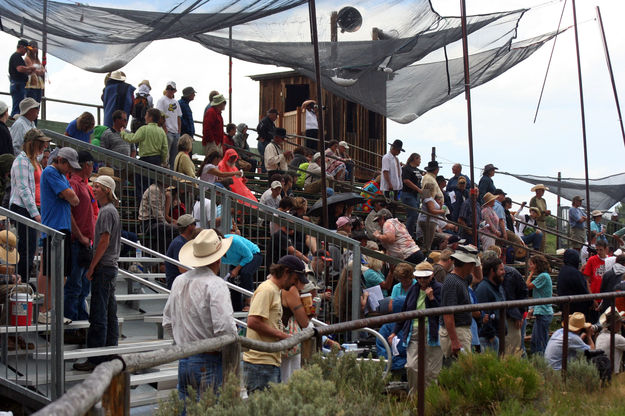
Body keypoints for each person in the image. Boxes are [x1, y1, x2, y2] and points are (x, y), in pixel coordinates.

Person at [162, 229, 236, 399]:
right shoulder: (216, 284)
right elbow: (224, 327)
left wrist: (181, 341)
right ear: (218, 258)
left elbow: (167, 321)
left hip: (184, 357)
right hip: (208, 358)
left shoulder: (179, 281)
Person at [243, 255, 307, 393]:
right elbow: (253, 321)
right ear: (286, 272)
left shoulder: (274, 290)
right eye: (295, 279)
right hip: (260, 363)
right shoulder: (267, 290)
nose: (295, 284)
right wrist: (283, 336)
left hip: (268, 361)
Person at [389, 261, 442, 392]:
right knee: (412, 366)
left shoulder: (439, 288)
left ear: (432, 276)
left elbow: (442, 312)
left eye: (425, 277)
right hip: (414, 330)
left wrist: (432, 298)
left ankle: (430, 400)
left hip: (433, 331)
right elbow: (405, 310)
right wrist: (395, 331)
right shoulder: (414, 289)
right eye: (419, 277)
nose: (422, 280)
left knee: (431, 371)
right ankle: (415, 397)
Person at [9, 129, 49, 281]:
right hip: (22, 209)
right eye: (41, 143)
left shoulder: (34, 162)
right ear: (32, 144)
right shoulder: (21, 161)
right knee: (26, 248)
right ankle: (21, 282)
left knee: (30, 248)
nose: (44, 146)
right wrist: (35, 213)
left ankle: (23, 281)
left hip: (30, 209)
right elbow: (24, 189)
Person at [65, 151, 95, 322]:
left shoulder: (82, 184)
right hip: (79, 241)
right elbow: (68, 212)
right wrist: (80, 236)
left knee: (82, 285)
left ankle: (78, 318)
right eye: (91, 165)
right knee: (75, 284)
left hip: (84, 241)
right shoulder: (74, 183)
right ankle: (71, 318)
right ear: (86, 165)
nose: (93, 168)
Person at [439, 246, 479, 357]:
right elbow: (448, 313)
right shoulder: (452, 282)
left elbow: (479, 277)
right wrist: (454, 340)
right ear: (466, 264)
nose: (474, 266)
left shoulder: (462, 279)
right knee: (463, 369)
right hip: (457, 331)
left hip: (461, 330)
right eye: (472, 264)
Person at [222, 233, 263, 312]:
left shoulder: (234, 241)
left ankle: (249, 302)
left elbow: (249, 256)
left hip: (254, 254)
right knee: (233, 281)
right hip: (238, 262)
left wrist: (237, 269)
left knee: (245, 273)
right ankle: (236, 309)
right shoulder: (214, 251)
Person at [475, 256, 505, 352]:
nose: (504, 272)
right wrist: (492, 336)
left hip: (498, 336)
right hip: (488, 339)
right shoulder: (483, 288)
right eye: (501, 269)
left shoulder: (498, 287)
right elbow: (483, 314)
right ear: (492, 271)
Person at [526, 254, 553, 355]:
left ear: (537, 265)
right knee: (536, 340)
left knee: (540, 341)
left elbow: (528, 285)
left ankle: (543, 361)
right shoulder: (543, 276)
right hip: (541, 311)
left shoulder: (543, 276)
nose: (530, 266)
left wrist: (531, 273)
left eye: (531, 264)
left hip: (543, 312)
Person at [556, 248, 593, 319]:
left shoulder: (563, 270)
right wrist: (591, 302)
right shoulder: (575, 273)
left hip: (566, 307)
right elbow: (583, 289)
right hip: (577, 311)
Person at [164, 214, 196, 289]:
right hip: (177, 286)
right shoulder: (179, 243)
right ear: (189, 227)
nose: (196, 227)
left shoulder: (181, 241)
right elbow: (182, 269)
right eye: (194, 224)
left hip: (180, 283)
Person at [156, 81, 182, 169]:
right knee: (165, 156)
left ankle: (171, 176)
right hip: (168, 131)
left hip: (175, 132)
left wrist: (179, 130)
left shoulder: (176, 102)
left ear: (175, 90)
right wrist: (164, 128)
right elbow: (160, 115)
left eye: (172, 89)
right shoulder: (162, 100)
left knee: (174, 157)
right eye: (168, 88)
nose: (170, 90)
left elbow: (178, 116)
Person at [418, 182, 446, 252]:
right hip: (429, 222)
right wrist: (442, 211)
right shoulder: (428, 198)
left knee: (428, 243)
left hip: (430, 221)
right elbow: (432, 210)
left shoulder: (428, 198)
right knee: (427, 244)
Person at [8, 39, 33, 117]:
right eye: (26, 49)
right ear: (21, 47)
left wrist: (29, 70)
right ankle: (13, 124)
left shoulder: (18, 57)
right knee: (18, 108)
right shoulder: (16, 56)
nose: (26, 52)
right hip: (18, 84)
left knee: (19, 107)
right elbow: (19, 69)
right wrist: (30, 68)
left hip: (19, 84)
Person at [595, 310, 625, 374]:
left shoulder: (600, 336)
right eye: (620, 322)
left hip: (600, 372)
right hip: (612, 373)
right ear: (616, 324)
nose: (621, 324)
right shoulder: (617, 338)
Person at [401, 153, 423, 238]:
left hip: (415, 195)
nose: (420, 161)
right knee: (412, 214)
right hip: (408, 194)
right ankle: (408, 235)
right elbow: (406, 180)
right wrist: (417, 188)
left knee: (414, 215)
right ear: (415, 159)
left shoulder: (417, 170)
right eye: (419, 159)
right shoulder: (406, 168)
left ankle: (411, 234)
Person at [529, 184, 550, 251]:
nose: (543, 192)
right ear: (537, 191)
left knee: (543, 240)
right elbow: (533, 210)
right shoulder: (533, 200)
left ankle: (542, 253)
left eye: (543, 191)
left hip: (543, 222)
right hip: (537, 221)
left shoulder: (543, 200)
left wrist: (547, 213)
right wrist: (544, 212)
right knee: (538, 239)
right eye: (542, 190)